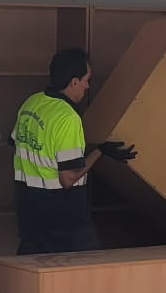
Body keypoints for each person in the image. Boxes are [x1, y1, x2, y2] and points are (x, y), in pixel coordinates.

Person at [12, 48, 135, 255]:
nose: (88, 85)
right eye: (86, 79)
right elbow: (68, 178)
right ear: (74, 82)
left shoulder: (31, 103)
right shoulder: (68, 118)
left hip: (29, 210)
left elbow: (15, 141)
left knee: (34, 278)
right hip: (62, 217)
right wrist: (100, 152)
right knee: (84, 276)